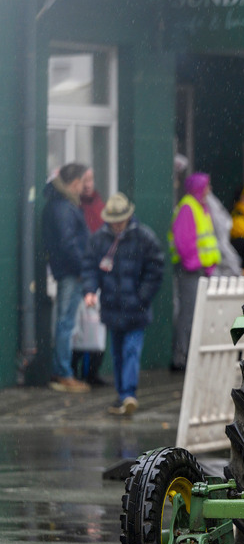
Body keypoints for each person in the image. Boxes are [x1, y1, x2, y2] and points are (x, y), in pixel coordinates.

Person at [82, 193, 164, 415]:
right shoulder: (99, 239)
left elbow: (156, 268)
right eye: (113, 220)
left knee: (130, 351)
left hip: (136, 309)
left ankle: (128, 394)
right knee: (118, 353)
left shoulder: (144, 237)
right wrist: (89, 290)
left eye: (120, 219)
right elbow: (89, 266)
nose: (117, 224)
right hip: (112, 307)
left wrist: (142, 297)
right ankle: (123, 395)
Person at [41, 163, 91, 393]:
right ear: (74, 183)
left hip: (68, 270)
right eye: (83, 181)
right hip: (71, 272)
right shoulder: (64, 207)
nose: (85, 187)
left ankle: (61, 369)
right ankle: (63, 372)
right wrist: (83, 268)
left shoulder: (61, 204)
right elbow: (68, 243)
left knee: (65, 322)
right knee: (65, 323)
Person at [169, 172, 221, 371]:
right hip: (191, 271)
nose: (209, 190)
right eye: (206, 186)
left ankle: (187, 356)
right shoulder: (189, 207)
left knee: (193, 314)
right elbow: (184, 242)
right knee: (188, 315)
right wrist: (196, 264)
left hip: (200, 270)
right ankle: (181, 358)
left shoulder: (199, 206)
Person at [73, 166, 107, 385]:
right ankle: (78, 371)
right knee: (80, 327)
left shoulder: (98, 204)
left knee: (97, 326)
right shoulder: (75, 207)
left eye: (91, 179)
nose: (88, 184)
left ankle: (92, 372)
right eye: (84, 180)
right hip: (84, 272)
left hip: (99, 270)